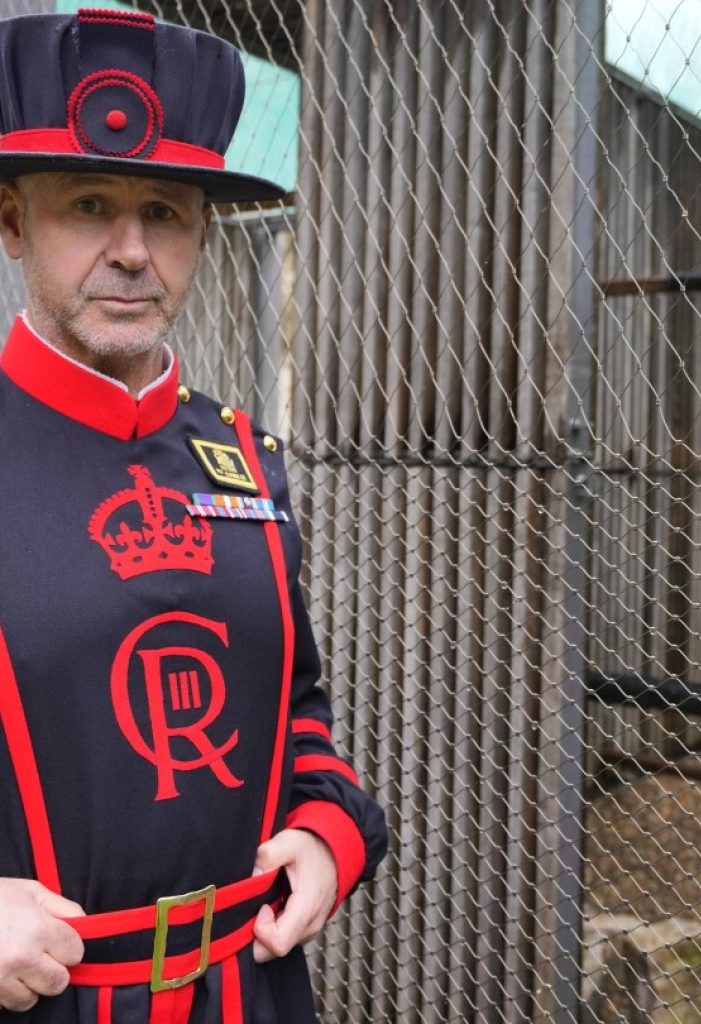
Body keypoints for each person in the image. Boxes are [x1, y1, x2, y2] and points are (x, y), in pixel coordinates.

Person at [0, 8, 387, 1023]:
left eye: (165, 212)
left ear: (205, 230)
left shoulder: (245, 456)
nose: (132, 251)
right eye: (89, 203)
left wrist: (325, 829)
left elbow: (295, 706)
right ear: (10, 220)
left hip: (251, 995)